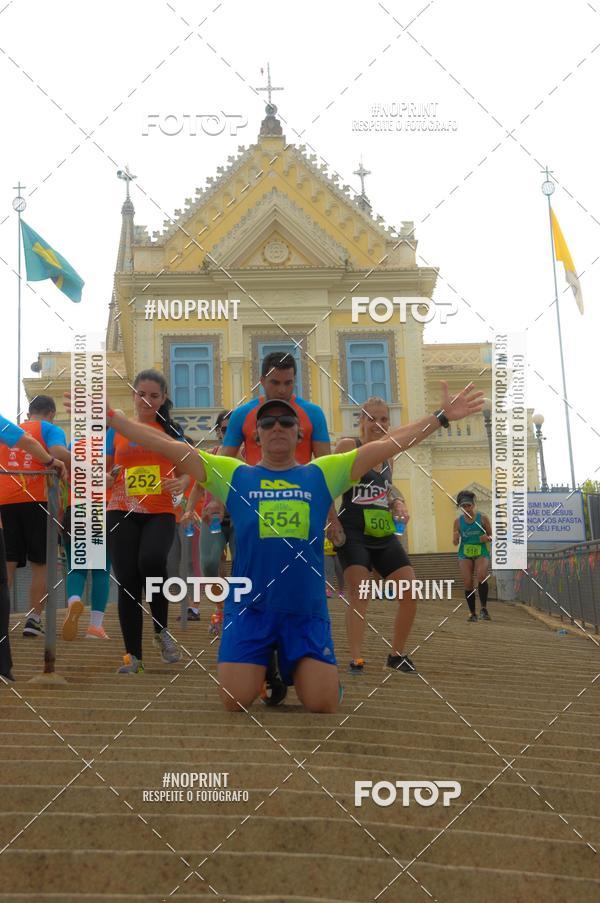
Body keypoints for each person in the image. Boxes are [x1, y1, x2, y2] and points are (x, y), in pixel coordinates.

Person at [101, 381, 483, 712]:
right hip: (250, 612)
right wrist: (115, 418)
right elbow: (170, 447)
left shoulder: (322, 473)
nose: (277, 427)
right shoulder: (233, 473)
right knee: (234, 700)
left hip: (304, 612)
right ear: (257, 436)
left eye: (287, 422)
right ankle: (269, 662)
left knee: (323, 703)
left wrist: (441, 418)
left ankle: (293, 662)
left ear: (300, 434)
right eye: (268, 422)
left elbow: (388, 445)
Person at [218, 351, 333, 705]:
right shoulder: (242, 414)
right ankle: (261, 658)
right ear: (261, 382)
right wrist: (211, 500)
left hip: (300, 504)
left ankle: (298, 659)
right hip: (250, 506)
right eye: (275, 383)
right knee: (252, 585)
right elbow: (222, 458)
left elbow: (327, 466)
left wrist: (332, 516)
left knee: (295, 585)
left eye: (288, 383)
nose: (282, 390)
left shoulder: (312, 414)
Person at [105, 369, 189, 673]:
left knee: (152, 561)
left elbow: (190, 466)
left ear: (163, 398)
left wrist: (183, 482)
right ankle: (134, 658)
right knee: (127, 579)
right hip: (121, 507)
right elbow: (111, 467)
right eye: (142, 394)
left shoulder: (172, 430)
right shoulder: (118, 429)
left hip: (161, 509)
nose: (147, 400)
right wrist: (106, 476)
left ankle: (160, 630)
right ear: (133, 395)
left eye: (154, 395)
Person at [334, 397, 416, 675]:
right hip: (353, 531)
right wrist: (330, 521)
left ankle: (397, 654)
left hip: (382, 531)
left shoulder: (390, 454)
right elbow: (328, 485)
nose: (378, 425)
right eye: (372, 419)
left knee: (410, 589)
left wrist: (397, 503)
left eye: (383, 420)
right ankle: (355, 657)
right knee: (360, 592)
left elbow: (386, 489)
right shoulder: (349, 446)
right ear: (361, 421)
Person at [0, 412, 66, 681]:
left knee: (8, 562)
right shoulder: (49, 429)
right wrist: (55, 464)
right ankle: (33, 618)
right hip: (35, 496)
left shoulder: (13, 424)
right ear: (50, 413)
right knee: (42, 561)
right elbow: (42, 448)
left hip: (4, 496)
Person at [183, 411, 237, 634]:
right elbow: (197, 487)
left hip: (239, 521)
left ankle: (239, 613)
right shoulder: (209, 455)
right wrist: (188, 511)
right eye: (224, 429)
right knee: (209, 565)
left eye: (233, 429)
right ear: (218, 432)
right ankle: (221, 611)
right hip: (211, 519)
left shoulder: (248, 458)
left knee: (245, 567)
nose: (228, 434)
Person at [60, 438, 113, 641]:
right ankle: (95, 627)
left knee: (76, 566)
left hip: (76, 509)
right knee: (101, 571)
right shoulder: (109, 445)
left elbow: (63, 481)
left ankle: (74, 601)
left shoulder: (73, 446)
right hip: (101, 509)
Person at [453, 490, 492, 621]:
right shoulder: (458, 522)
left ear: (473, 505)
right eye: (464, 506)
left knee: (481, 575)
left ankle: (484, 609)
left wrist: (486, 538)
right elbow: (455, 543)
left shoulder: (483, 518)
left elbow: (491, 536)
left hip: (481, 551)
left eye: (469, 506)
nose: (467, 509)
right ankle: (472, 613)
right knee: (468, 582)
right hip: (465, 553)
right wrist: (455, 537)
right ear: (461, 508)